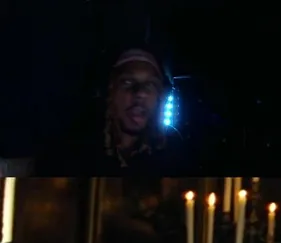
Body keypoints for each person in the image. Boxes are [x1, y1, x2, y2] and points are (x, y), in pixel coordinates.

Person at [46, 49, 194, 176]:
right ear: (110, 91)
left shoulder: (172, 149)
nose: (140, 93)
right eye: (127, 82)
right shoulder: (74, 148)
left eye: (150, 84)